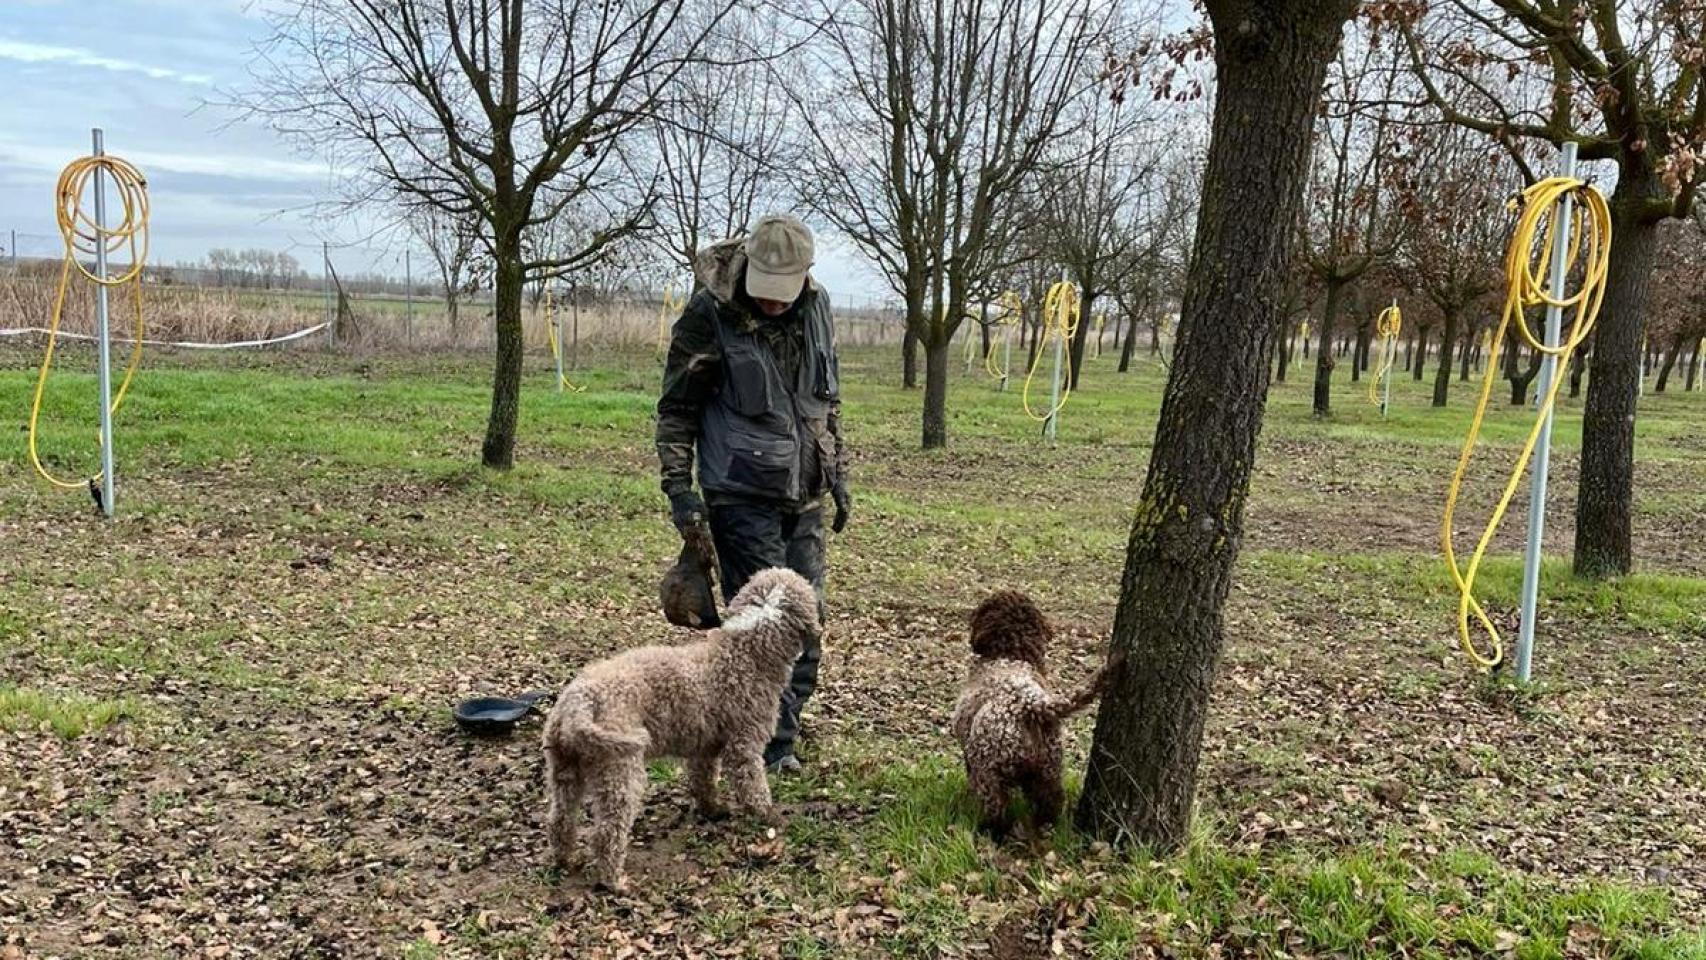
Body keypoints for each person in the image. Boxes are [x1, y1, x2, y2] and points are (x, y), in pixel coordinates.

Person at [655, 214, 850, 773]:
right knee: (761, 629)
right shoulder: (709, 314)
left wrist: (838, 473)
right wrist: (681, 493)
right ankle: (765, 744)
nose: (773, 302)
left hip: (804, 492)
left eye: (784, 292)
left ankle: (782, 729)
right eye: (765, 290)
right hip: (739, 494)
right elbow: (677, 409)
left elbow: (827, 401)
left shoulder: (819, 307)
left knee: (808, 619)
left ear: (805, 275)